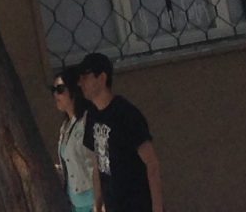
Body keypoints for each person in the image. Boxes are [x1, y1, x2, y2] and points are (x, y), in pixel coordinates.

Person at [75, 51, 163, 212]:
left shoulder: (125, 114)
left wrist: (157, 208)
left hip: (137, 204)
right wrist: (98, 203)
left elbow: (151, 163)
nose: (80, 83)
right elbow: (97, 163)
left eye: (85, 77)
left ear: (102, 78)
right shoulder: (92, 116)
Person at [51, 67, 95, 212]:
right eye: (53, 89)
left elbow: (100, 161)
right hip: (75, 204)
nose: (56, 94)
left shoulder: (89, 120)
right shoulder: (65, 127)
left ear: (74, 90)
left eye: (60, 89)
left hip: (94, 199)